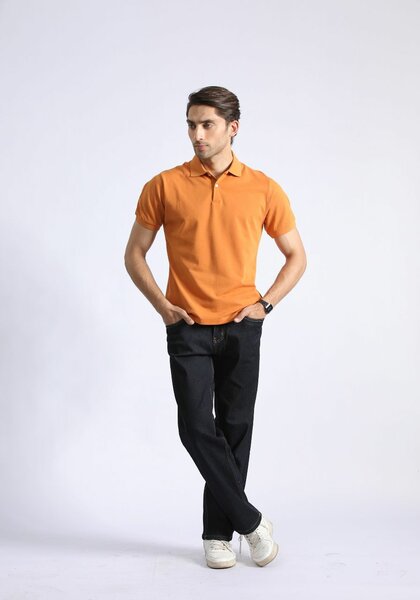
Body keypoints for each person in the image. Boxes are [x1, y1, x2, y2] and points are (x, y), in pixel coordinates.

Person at [124, 85, 306, 569]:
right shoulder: (164, 185)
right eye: (191, 124)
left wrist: (265, 304)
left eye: (207, 124)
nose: (197, 135)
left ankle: (217, 535)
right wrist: (163, 306)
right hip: (187, 327)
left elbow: (296, 256)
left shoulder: (263, 187)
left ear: (233, 128)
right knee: (195, 427)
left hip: (242, 325)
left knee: (236, 429)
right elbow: (134, 254)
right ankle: (251, 521)